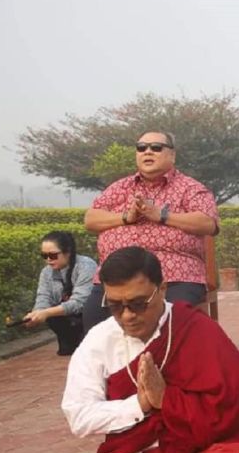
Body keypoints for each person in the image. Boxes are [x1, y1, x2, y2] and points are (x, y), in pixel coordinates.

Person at [33, 247, 239, 453]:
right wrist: (142, 403)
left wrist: (166, 399)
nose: (127, 315)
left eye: (138, 303)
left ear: (163, 289)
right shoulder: (99, 339)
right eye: (115, 305)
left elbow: (233, 411)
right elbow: (79, 417)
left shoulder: (196, 328)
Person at [82, 131, 218, 330]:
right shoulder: (119, 188)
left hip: (173, 276)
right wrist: (125, 218)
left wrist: (162, 216)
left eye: (156, 147)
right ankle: (117, 362)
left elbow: (208, 223)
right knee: (93, 317)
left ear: (172, 155)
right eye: (141, 147)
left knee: (173, 320)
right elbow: (90, 219)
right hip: (117, 276)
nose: (148, 152)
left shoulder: (191, 188)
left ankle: (165, 361)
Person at [24, 231, 97, 356]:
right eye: (44, 255)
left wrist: (46, 312)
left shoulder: (86, 266)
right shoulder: (46, 272)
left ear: (67, 252)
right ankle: (69, 343)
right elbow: (43, 297)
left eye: (52, 255)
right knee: (52, 316)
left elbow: (80, 302)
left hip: (88, 318)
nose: (48, 260)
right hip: (67, 321)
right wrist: (36, 314)